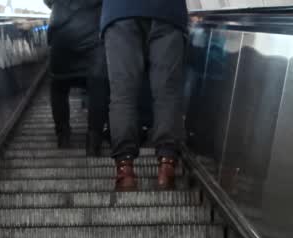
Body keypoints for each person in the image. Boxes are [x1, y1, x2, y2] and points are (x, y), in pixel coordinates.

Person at [100, 0, 188, 190]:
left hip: (120, 10)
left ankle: (125, 171)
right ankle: (166, 167)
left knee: (123, 94)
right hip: (168, 11)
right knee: (167, 92)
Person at [44, 0, 109, 155]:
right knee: (98, 87)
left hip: (62, 30)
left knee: (58, 86)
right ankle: (93, 142)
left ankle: (63, 136)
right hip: (93, 29)